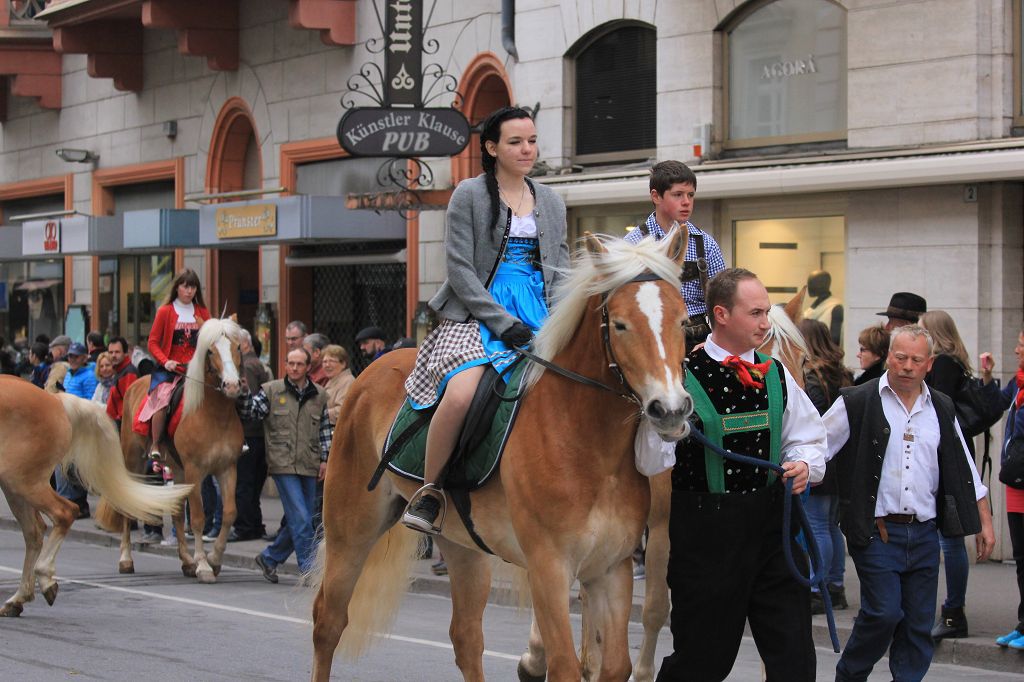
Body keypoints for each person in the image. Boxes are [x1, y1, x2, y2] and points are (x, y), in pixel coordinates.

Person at [400, 105, 570, 534]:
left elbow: (562, 267)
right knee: (460, 395)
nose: (527, 149)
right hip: (476, 311)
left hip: (541, 311)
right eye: (516, 142)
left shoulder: (551, 200)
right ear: (492, 148)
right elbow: (460, 270)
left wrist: (566, 315)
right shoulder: (469, 194)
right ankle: (430, 491)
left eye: (532, 141)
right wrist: (501, 321)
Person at [656, 268, 826, 682]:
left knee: (795, 662)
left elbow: (808, 436)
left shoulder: (776, 372)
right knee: (701, 663)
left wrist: (803, 464)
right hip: (705, 539)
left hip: (774, 532)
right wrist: (665, 431)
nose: (766, 323)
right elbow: (649, 460)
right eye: (756, 313)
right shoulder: (678, 378)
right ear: (721, 314)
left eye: (766, 312)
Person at [822, 325, 994, 682]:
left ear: (929, 364)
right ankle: (850, 675)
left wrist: (985, 522)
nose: (907, 366)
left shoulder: (941, 407)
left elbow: (965, 469)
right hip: (876, 531)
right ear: (889, 357)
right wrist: (796, 470)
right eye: (900, 357)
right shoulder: (857, 400)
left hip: (924, 533)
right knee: (883, 613)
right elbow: (816, 444)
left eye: (916, 360)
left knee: (918, 625)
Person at [918, 309, 989, 640]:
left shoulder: (944, 364)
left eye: (922, 329)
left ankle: (953, 612)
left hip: (947, 453)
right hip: (951, 451)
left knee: (949, 538)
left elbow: (938, 408)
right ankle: (951, 610)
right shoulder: (956, 361)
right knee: (949, 537)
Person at [238, 348, 331, 582]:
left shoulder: (320, 395)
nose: (294, 368)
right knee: (301, 519)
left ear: (308, 367)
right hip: (282, 463)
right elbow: (251, 413)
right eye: (291, 363)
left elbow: (324, 430)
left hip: (310, 463)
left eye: (299, 364)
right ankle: (309, 571)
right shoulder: (271, 390)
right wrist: (243, 392)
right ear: (285, 365)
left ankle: (269, 558)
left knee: (301, 519)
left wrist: (325, 460)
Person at [623, 159, 727, 346]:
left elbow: (723, 303)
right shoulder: (634, 243)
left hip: (699, 340)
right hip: (651, 339)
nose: (686, 202)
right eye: (678, 195)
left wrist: (715, 343)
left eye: (691, 195)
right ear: (656, 196)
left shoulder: (706, 244)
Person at [798, 319, 854, 615]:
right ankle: (835, 585)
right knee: (830, 526)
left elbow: (811, 420)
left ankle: (817, 588)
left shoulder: (812, 377)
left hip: (819, 457)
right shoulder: (841, 373)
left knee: (818, 525)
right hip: (838, 460)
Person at [137, 269, 210, 460]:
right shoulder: (165, 311)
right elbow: (153, 342)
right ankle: (156, 443)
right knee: (162, 399)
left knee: (225, 389)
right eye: (185, 286)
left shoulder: (202, 312)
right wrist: (165, 361)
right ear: (177, 288)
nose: (189, 291)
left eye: (193, 287)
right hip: (172, 369)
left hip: (198, 369)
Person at [988, 330, 1024, 649]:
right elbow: (996, 404)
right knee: (1021, 557)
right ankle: (1023, 623)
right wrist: (988, 377)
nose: (1016, 350)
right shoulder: (1019, 383)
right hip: (1016, 483)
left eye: (1021, 346)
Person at [230, 328, 270, 543]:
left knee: (244, 483)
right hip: (259, 432)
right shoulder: (259, 364)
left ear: (244, 344)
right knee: (252, 484)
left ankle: (245, 526)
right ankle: (254, 524)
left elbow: (249, 398)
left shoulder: (246, 366)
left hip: (248, 432)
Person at [57, 342, 98, 518]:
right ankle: (67, 500)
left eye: (76, 356)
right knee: (64, 464)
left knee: (74, 465)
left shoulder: (88, 376)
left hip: (80, 425)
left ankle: (78, 502)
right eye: (70, 356)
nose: (72, 359)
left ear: (84, 358)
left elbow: (89, 401)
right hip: (67, 422)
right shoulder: (68, 373)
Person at [104, 337, 138, 427]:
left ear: (125, 353)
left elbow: (130, 404)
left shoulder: (129, 373)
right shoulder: (119, 371)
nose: (113, 355)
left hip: (123, 425)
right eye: (110, 352)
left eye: (117, 352)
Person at [804, 270, 843, 345]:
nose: (809, 286)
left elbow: (835, 340)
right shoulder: (813, 308)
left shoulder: (835, 308)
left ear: (824, 284)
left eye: (812, 283)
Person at [322, 344, 355, 426]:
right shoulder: (332, 380)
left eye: (331, 361)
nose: (327, 365)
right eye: (324, 362)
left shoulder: (347, 381)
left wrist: (318, 414)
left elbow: (341, 411)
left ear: (343, 364)